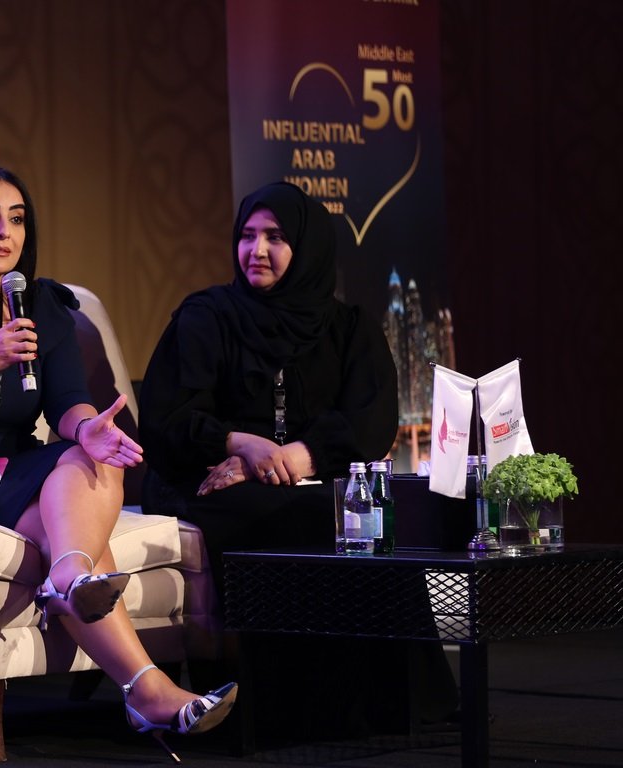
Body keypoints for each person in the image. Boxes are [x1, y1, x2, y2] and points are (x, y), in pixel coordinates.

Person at [0, 163, 236, 759]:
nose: (5, 231)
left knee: (93, 458)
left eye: (17, 218)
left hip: (1, 474)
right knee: (64, 509)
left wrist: (87, 427)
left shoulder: (40, 305)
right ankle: (130, 666)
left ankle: (103, 627)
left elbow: (66, 401)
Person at [139, 180, 457, 743]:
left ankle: (391, 705)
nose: (256, 250)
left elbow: (373, 421)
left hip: (304, 477)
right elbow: (167, 420)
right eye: (247, 236)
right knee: (291, 515)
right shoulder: (207, 317)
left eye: (276, 237)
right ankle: (285, 715)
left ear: (307, 248)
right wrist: (239, 445)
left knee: (357, 520)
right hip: (205, 479)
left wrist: (294, 456)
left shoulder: (348, 328)